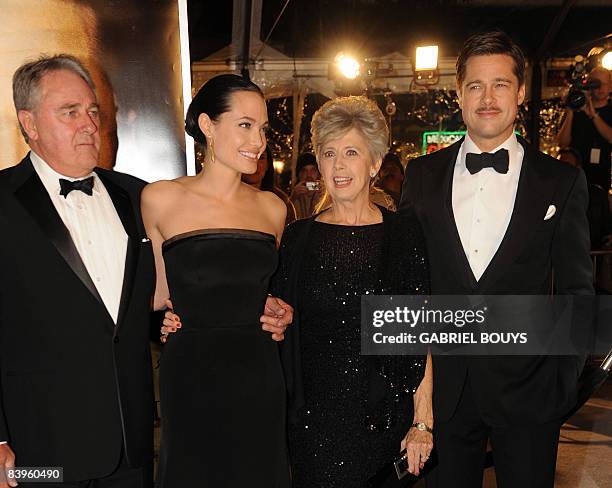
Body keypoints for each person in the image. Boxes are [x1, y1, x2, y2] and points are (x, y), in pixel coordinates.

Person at [400, 31, 593, 487]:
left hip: (530, 394)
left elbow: (576, 291)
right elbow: (409, 281)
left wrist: (559, 386)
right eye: (475, 86)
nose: (487, 98)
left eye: (500, 84)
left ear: (521, 92)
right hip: (445, 395)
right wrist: (416, 393)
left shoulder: (560, 182)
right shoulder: (422, 175)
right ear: (459, 93)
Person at [0, 54, 155, 487]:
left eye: (92, 111)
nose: (88, 123)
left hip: (131, 446)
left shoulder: (136, 196)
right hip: (37, 454)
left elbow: (157, 302)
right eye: (70, 112)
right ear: (29, 124)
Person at [141, 74, 291, 487]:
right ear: (207, 125)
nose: (258, 141)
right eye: (245, 125)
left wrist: (280, 310)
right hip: (191, 375)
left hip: (258, 374)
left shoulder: (272, 209)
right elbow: (154, 297)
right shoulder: (160, 198)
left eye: (262, 129)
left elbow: (265, 292)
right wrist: (160, 322)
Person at [276, 96, 433, 486]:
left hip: (386, 418)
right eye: (329, 154)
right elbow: (274, 321)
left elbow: (419, 335)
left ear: (375, 162)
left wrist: (422, 422)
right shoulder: (297, 239)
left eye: (351, 152)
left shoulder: (403, 235)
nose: (339, 165)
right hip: (315, 424)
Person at [557, 66, 612, 190]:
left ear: (611, 86)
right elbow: (562, 143)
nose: (600, 88)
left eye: (604, 84)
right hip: (575, 175)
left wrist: (593, 115)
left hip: (600, 176)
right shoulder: (577, 106)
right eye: (596, 83)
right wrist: (570, 113)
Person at [558, 146, 611, 249]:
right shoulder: (552, 194)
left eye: (567, 165)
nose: (561, 170)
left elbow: (606, 228)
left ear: (578, 168)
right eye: (559, 165)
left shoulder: (597, 195)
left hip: (592, 253)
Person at [242, 146, 297, 225]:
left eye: (261, 158)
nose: (255, 164)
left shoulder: (280, 201)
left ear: (268, 165)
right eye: (249, 156)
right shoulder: (227, 198)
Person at [290, 152, 323, 218]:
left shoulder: (325, 194)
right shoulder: (294, 196)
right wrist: (292, 198)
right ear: (299, 174)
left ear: (319, 173)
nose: (308, 175)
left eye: (313, 170)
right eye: (304, 171)